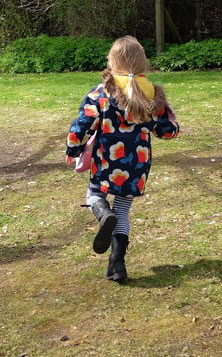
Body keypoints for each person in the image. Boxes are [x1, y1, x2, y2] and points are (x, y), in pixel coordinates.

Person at [65, 36, 180, 282]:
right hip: (136, 165)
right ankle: (117, 264)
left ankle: (103, 213)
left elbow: (83, 125)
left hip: (106, 161)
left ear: (113, 61)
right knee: (123, 210)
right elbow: (168, 131)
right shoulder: (151, 94)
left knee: (93, 196)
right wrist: (165, 121)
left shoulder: (101, 92)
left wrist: (73, 148)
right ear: (143, 63)